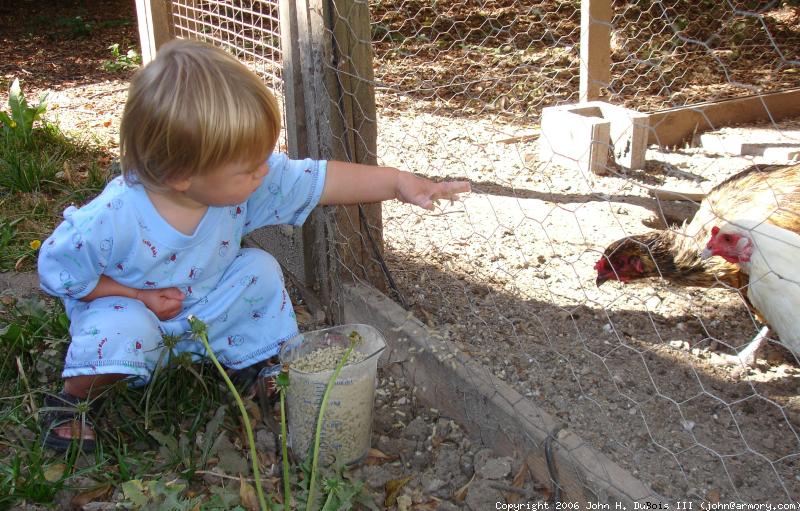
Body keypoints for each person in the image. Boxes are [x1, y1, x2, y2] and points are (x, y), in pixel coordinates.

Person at [37, 39, 470, 452]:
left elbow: (319, 179)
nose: (264, 172)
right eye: (249, 166)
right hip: (135, 317)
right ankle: (74, 400)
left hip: (204, 310)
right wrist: (137, 296)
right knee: (122, 329)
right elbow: (61, 272)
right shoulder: (113, 217)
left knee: (259, 268)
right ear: (181, 176)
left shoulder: (240, 186)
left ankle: (261, 366)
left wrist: (396, 182)